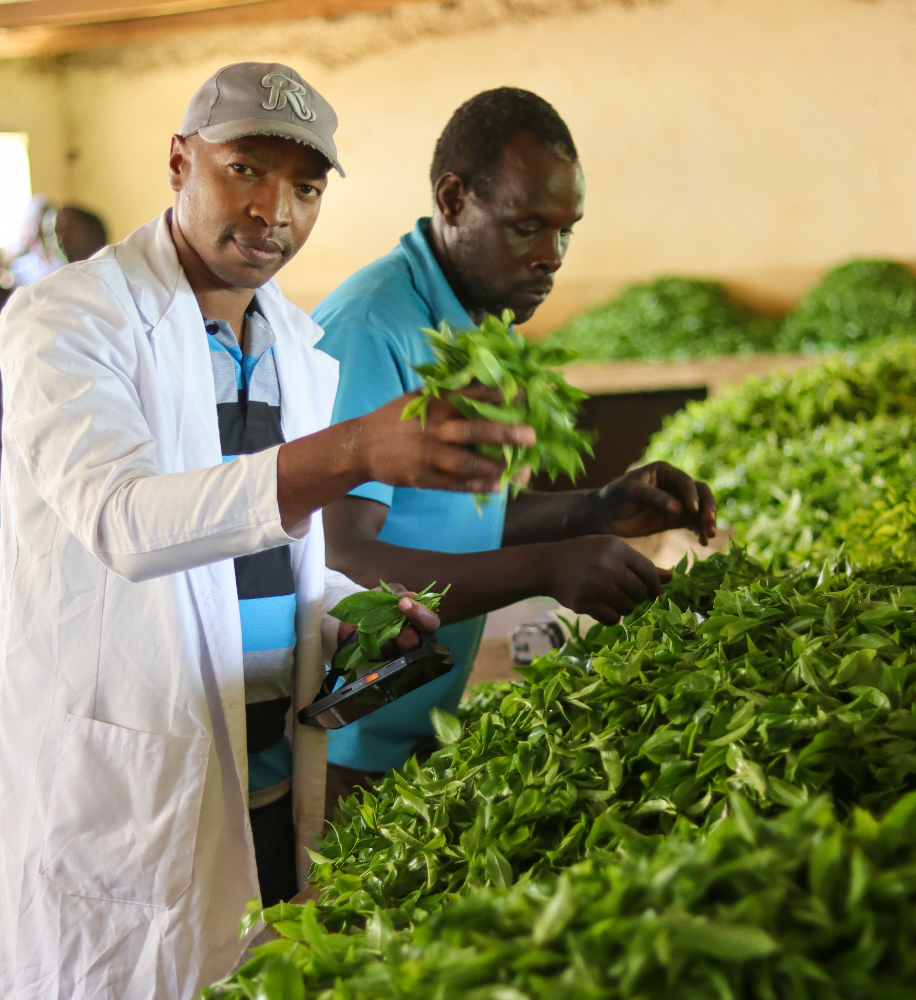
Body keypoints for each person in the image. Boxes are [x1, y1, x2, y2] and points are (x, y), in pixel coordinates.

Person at [0, 63, 533, 999]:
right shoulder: (69, 323)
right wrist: (355, 450)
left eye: (306, 187)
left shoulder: (291, 343)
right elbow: (127, 521)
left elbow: (263, 562)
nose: (273, 211)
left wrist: (350, 614)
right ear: (180, 163)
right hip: (133, 789)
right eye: (244, 169)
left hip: (270, 781)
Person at [312, 88, 716, 805]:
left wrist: (595, 510)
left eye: (565, 232)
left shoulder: (477, 322)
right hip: (344, 745)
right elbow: (341, 562)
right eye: (526, 226)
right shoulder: (372, 327)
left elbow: (451, 519)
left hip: (414, 731)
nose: (550, 257)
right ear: (454, 199)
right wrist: (544, 568)